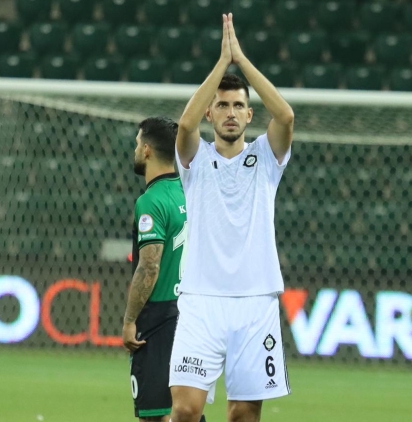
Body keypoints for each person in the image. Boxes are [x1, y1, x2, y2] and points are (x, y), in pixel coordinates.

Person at [169, 13, 294, 422]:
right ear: (211, 113)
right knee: (185, 410)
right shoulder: (196, 159)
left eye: (239, 105)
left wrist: (241, 60)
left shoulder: (266, 158)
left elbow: (286, 117)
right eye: (222, 105)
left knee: (243, 415)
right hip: (200, 300)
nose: (230, 112)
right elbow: (185, 124)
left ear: (249, 116)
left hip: (256, 302)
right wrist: (222, 63)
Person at [123, 117, 191, 422]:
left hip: (160, 317)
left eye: (138, 143)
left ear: (148, 150)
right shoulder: (188, 192)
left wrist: (130, 320)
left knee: (155, 415)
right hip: (190, 311)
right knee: (186, 409)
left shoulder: (151, 201)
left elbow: (149, 267)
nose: (136, 149)